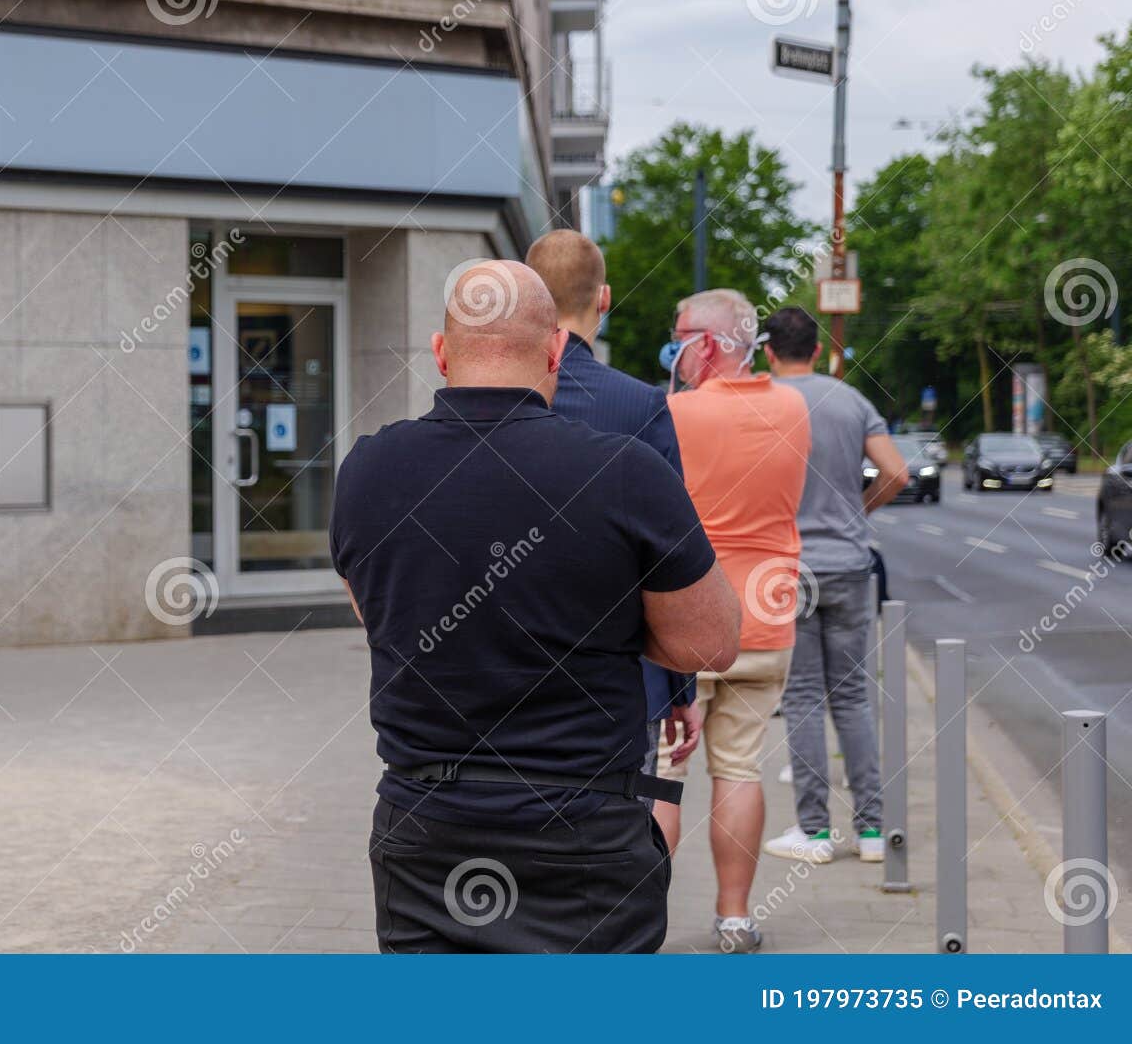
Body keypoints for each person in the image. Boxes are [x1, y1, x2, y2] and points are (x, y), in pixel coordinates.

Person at [330, 259, 740, 954]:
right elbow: (710, 643)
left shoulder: (367, 470)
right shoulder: (624, 470)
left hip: (425, 828)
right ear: (555, 348)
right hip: (581, 830)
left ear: (441, 352)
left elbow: (380, 614)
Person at [654, 288, 811, 954]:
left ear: (710, 344)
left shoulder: (673, 414)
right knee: (739, 767)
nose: (674, 349)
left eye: (681, 336)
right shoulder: (793, 407)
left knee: (662, 772)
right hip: (767, 618)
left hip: (688, 619)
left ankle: (642, 918)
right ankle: (735, 916)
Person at [525, 229, 701, 782]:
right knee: (618, 837)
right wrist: (679, 687)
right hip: (622, 680)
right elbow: (671, 551)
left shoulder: (497, 396)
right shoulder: (640, 403)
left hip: (507, 676)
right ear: (603, 299)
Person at [762, 306, 907, 866]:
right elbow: (895, 472)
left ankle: (815, 832)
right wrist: (858, 511)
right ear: (818, 351)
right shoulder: (851, 401)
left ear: (769, 352)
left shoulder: (761, 402)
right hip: (849, 562)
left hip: (788, 567)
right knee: (852, 697)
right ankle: (873, 832)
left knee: (801, 698)